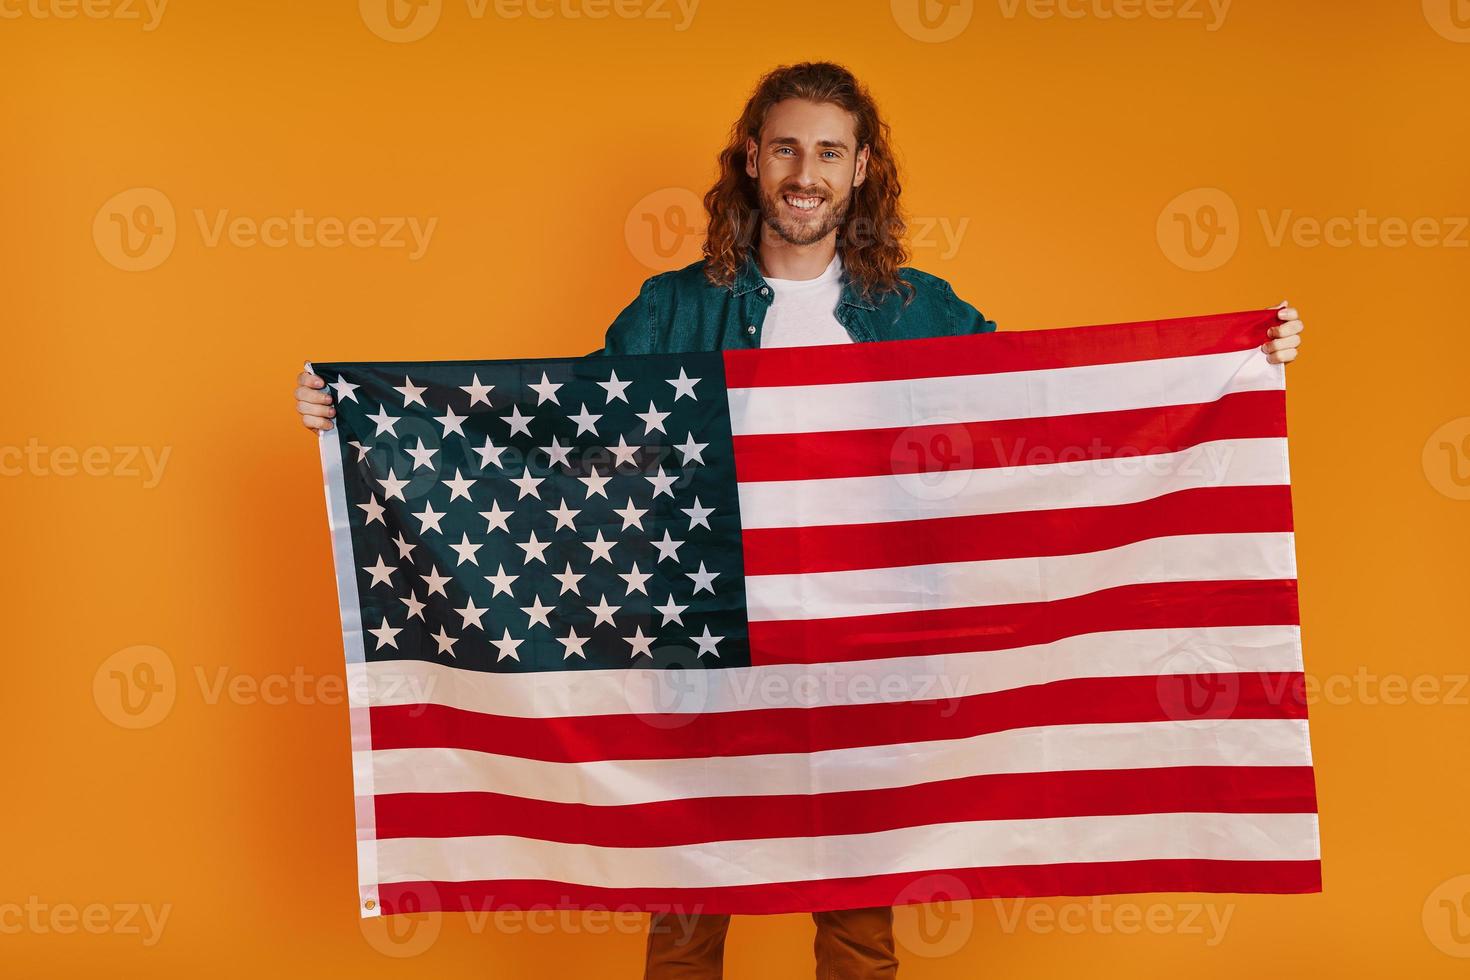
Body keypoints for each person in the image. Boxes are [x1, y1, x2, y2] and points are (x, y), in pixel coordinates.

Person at [293, 61, 1305, 980]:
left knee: (860, 931)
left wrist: (1238, 363)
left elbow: (1039, 409)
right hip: (702, 651)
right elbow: (562, 444)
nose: (804, 172)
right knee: (685, 922)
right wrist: (366, 415)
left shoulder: (918, 309)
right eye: (785, 147)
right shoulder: (670, 310)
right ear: (751, 158)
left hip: (870, 652)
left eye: (828, 151)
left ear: (862, 169)